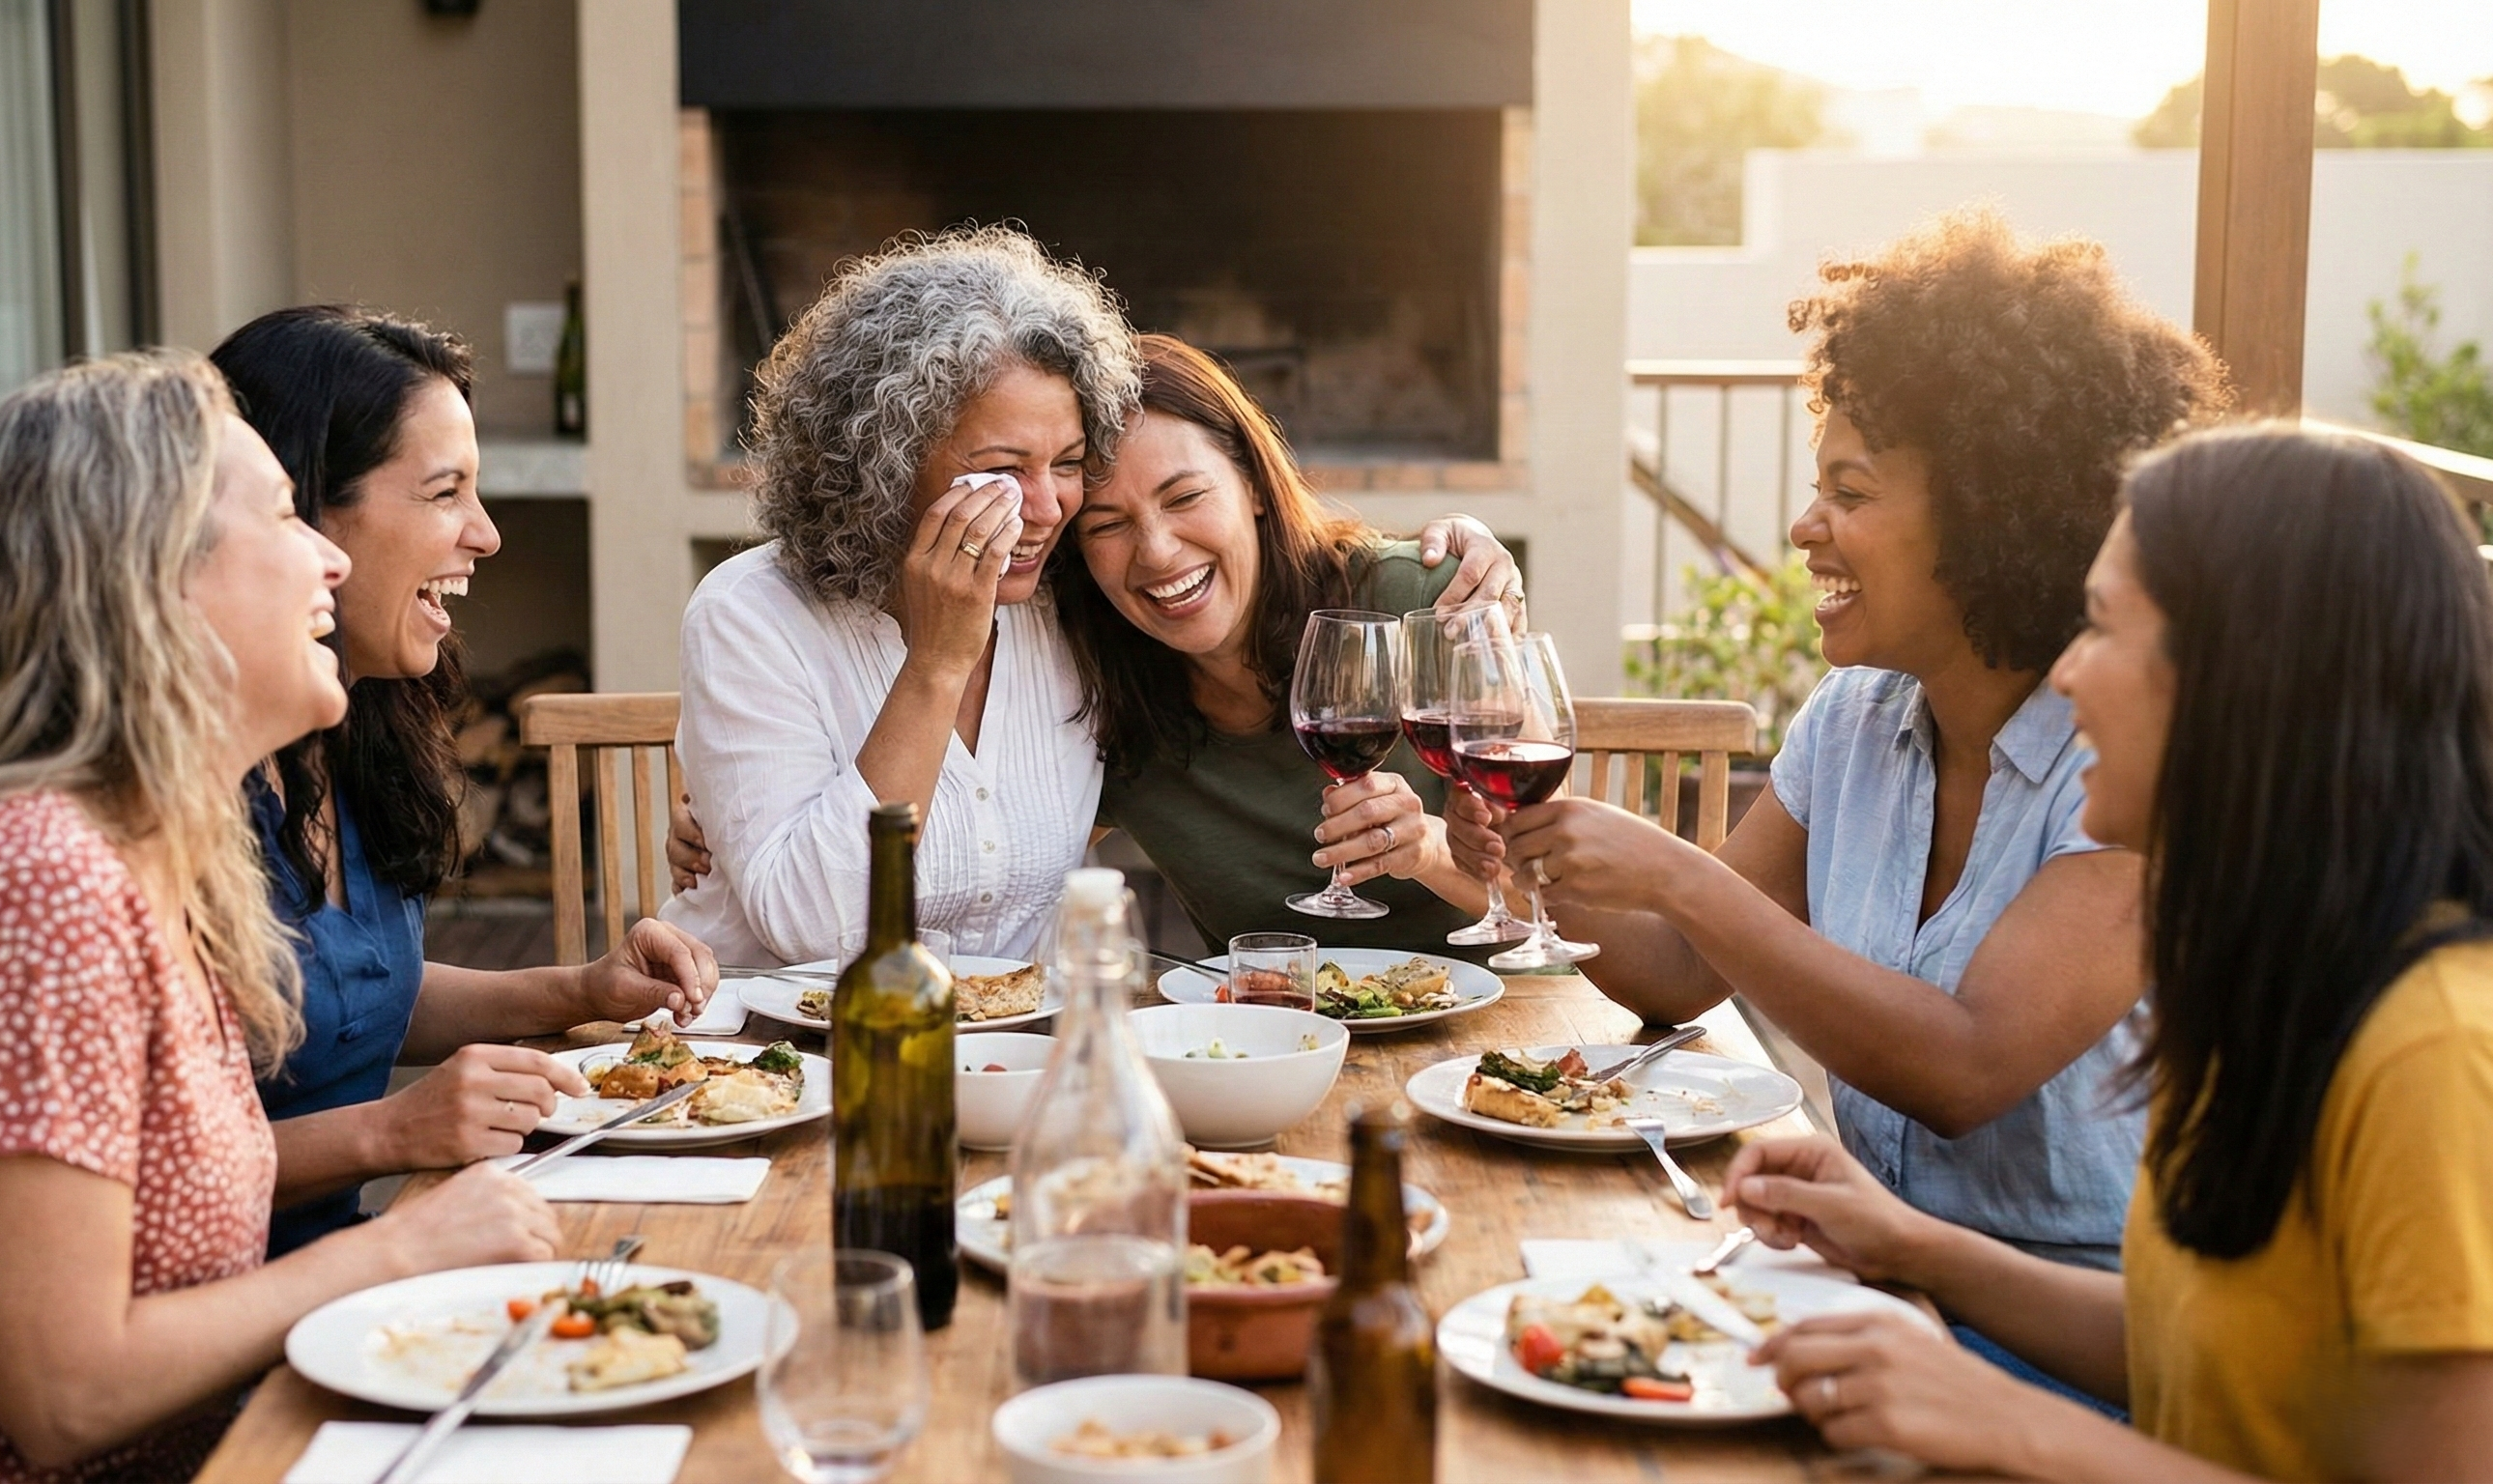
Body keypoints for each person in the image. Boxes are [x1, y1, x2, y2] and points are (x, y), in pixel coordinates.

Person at [0, 352, 557, 1482]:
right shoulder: (24, 883)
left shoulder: (136, 854)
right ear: (151, 583)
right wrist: (397, 1248)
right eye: (288, 516)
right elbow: (66, 1392)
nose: (330, 558)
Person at [1454, 211, 2230, 1280]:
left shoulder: (2126, 764)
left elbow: (1963, 1070)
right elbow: (1683, 975)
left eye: (1848, 491)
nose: (1803, 525)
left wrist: (1678, 874)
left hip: (2078, 1333)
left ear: (1992, 515)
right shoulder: (1855, 715)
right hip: (1865, 1273)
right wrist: (1504, 856)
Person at [1728, 426, 2493, 1482]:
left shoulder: (2431, 1051)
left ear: (2245, 678)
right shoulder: (2278, 982)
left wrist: (2013, 1425)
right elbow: (2197, 1348)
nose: (2068, 673)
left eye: (2099, 628)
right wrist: (1907, 1246)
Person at [658, 227, 1519, 965]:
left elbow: (1227, 558)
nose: (1046, 511)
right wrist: (934, 663)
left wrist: (1463, 550)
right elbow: (819, 924)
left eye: (1067, 466)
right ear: (881, 462)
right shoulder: (756, 616)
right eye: (1001, 471)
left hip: (1014, 1056)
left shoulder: (1073, 613)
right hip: (774, 1061)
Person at [208, 306, 716, 1255]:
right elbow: (151, 1177)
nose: (483, 536)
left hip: (334, 1269)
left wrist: (577, 991)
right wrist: (391, 1131)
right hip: (238, 1313)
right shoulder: (165, 804)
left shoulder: (340, 732)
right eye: (444, 493)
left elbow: (345, 996)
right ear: (303, 513)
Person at [1049, 333, 1499, 950]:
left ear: (1254, 485)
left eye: (1185, 497)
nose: (1155, 552)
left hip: (1506, 1032)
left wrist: (1432, 856)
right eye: (1107, 524)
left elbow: (1558, 899)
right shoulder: (1100, 697)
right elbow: (1009, 873)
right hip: (1258, 1039)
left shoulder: (1419, 603)